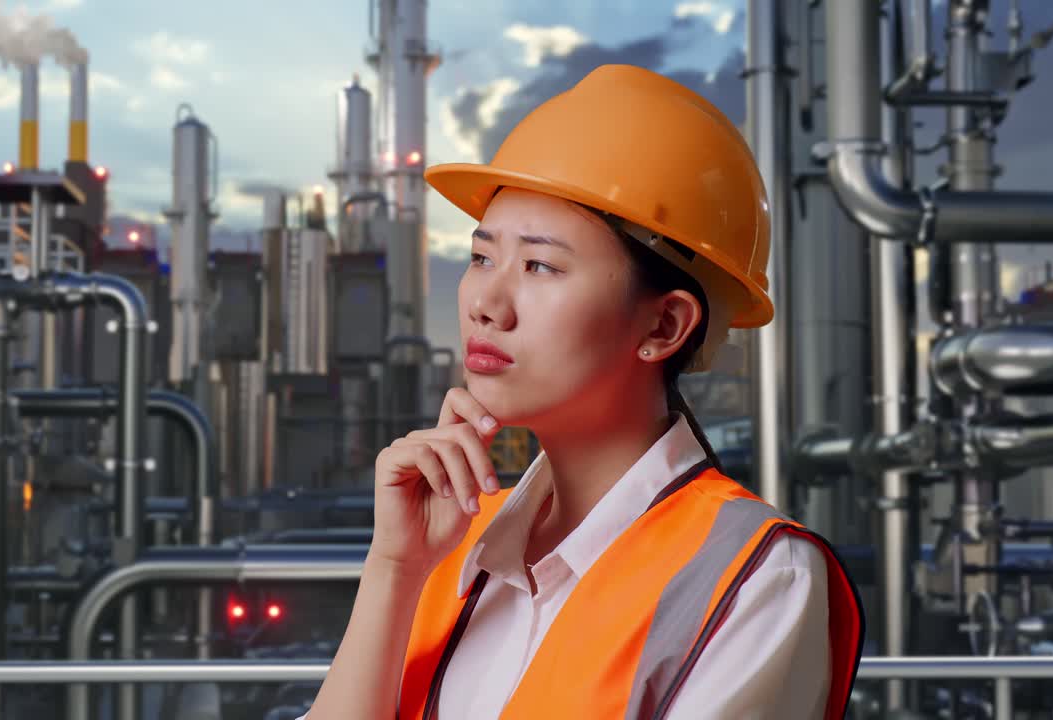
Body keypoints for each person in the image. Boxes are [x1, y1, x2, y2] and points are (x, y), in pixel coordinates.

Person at [302, 64, 863, 720]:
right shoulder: (456, 538)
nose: (487, 302)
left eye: (540, 266)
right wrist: (393, 567)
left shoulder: (758, 578)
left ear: (663, 325)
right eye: (482, 257)